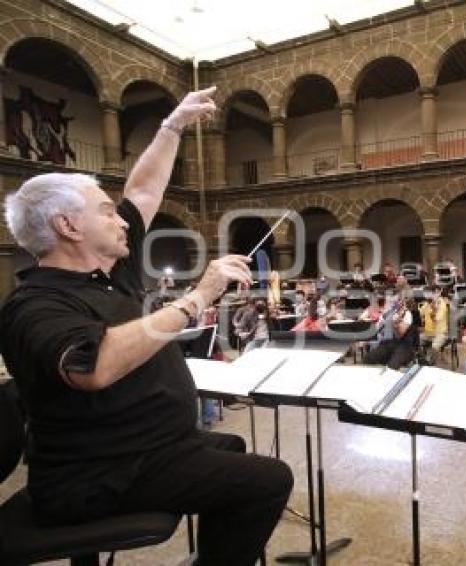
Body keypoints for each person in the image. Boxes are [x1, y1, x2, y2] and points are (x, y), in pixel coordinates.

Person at [0, 87, 293, 565]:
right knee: (268, 480)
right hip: (95, 472)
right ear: (68, 227)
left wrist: (172, 126)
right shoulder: (34, 304)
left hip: (146, 444)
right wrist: (197, 298)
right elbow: (92, 365)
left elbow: (142, 191)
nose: (121, 219)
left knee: (232, 446)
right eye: (105, 211)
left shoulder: (109, 270)